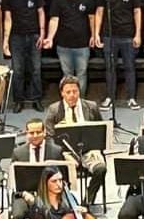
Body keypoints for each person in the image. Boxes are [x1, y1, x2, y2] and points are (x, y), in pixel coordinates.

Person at [42, 77, 106, 207]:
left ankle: (88, 200)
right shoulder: (54, 110)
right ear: (62, 93)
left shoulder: (91, 107)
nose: (72, 95)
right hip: (65, 153)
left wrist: (97, 148)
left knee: (101, 169)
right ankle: (68, 201)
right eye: (68, 92)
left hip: (89, 151)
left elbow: (101, 130)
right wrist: (62, 154)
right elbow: (49, 137)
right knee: (60, 170)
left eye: (75, 91)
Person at [93, 0, 143, 109]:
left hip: (128, 34)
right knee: (110, 68)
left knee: (130, 67)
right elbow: (99, 12)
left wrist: (138, 34)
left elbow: (137, 11)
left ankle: (131, 98)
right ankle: (110, 97)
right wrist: (96, 33)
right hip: (109, 35)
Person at [1, 0, 46, 112]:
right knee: (18, 69)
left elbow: (41, 12)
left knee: (36, 68)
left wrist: (42, 33)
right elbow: (7, 18)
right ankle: (18, 100)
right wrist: (5, 41)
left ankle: (36, 99)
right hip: (16, 36)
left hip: (34, 34)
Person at [44, 0, 96, 93]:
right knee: (67, 75)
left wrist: (94, 35)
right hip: (64, 45)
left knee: (82, 74)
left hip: (82, 44)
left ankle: (80, 100)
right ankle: (68, 100)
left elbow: (92, 18)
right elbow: (54, 20)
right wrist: (50, 38)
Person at [9, 119, 64, 219]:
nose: (35, 136)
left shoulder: (56, 151)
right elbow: (13, 180)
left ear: (44, 132)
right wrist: (24, 194)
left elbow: (63, 178)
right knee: (17, 215)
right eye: (31, 133)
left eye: (38, 132)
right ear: (26, 133)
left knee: (61, 211)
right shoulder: (18, 153)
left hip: (50, 194)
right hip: (25, 194)